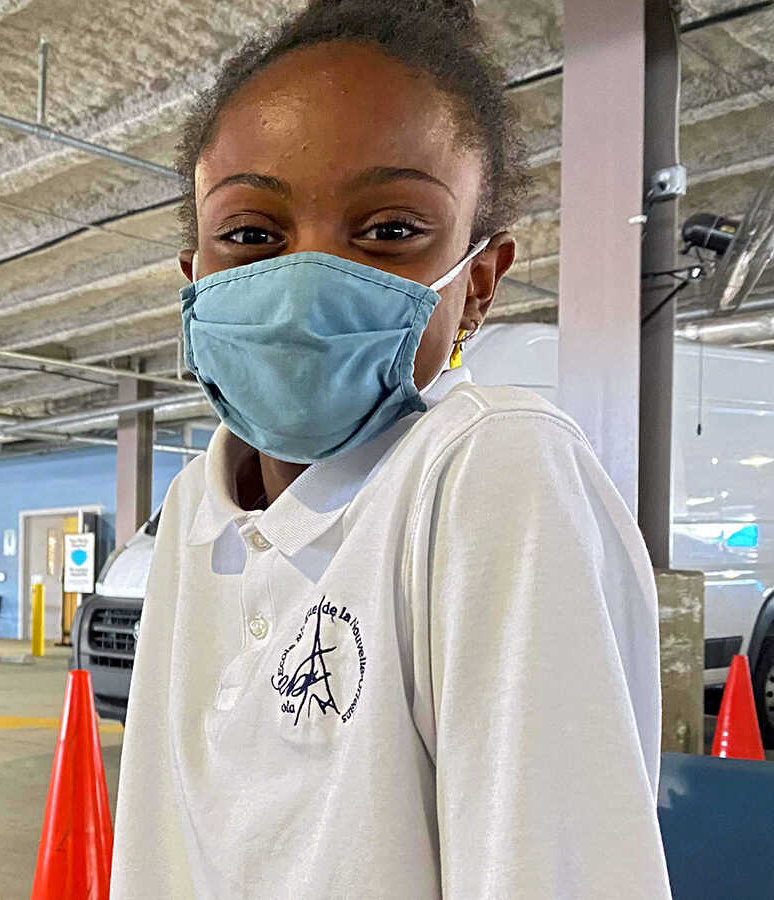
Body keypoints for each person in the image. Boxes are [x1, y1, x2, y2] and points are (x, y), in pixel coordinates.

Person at [111, 1, 670, 897]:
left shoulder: (489, 473)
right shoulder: (191, 509)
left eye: (390, 232)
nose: (303, 281)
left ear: (477, 284)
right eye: (252, 236)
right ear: (195, 278)